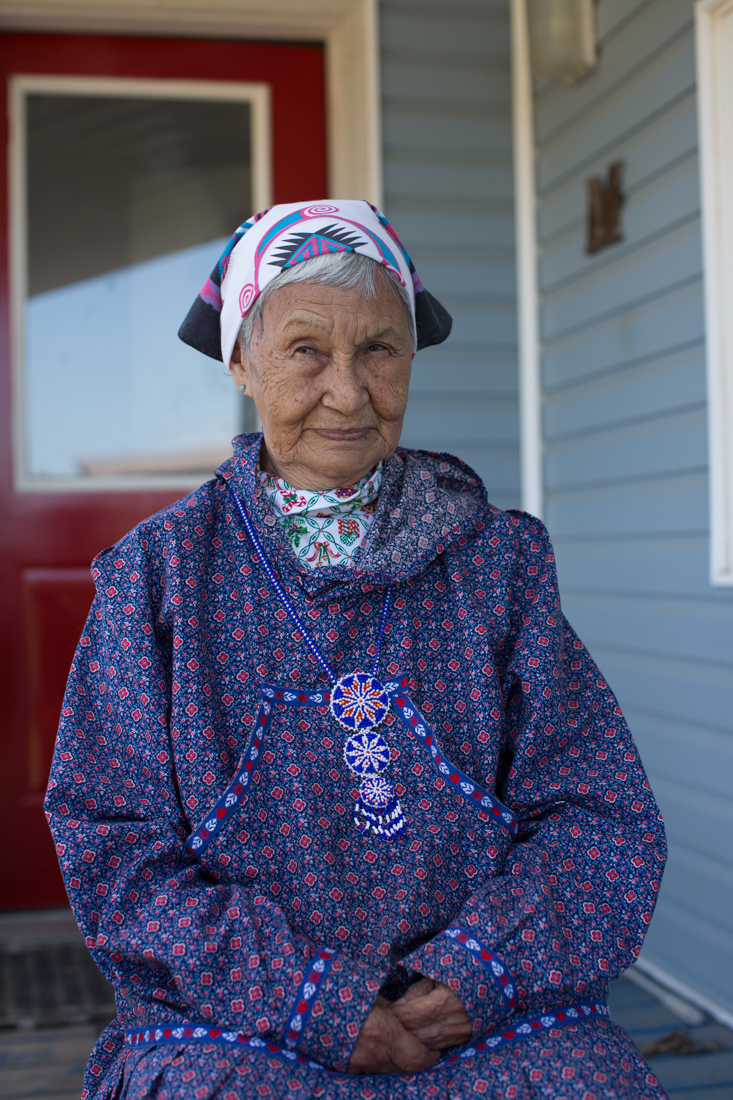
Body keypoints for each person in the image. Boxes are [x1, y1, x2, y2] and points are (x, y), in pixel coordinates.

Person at [46, 200, 668, 1100]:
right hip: (237, 1021)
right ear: (241, 364)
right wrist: (312, 1003)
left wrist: (478, 974)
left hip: (484, 1016)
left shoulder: (496, 563)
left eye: (378, 348)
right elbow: (113, 846)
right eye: (305, 350)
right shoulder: (160, 576)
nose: (346, 389)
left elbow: (596, 814)